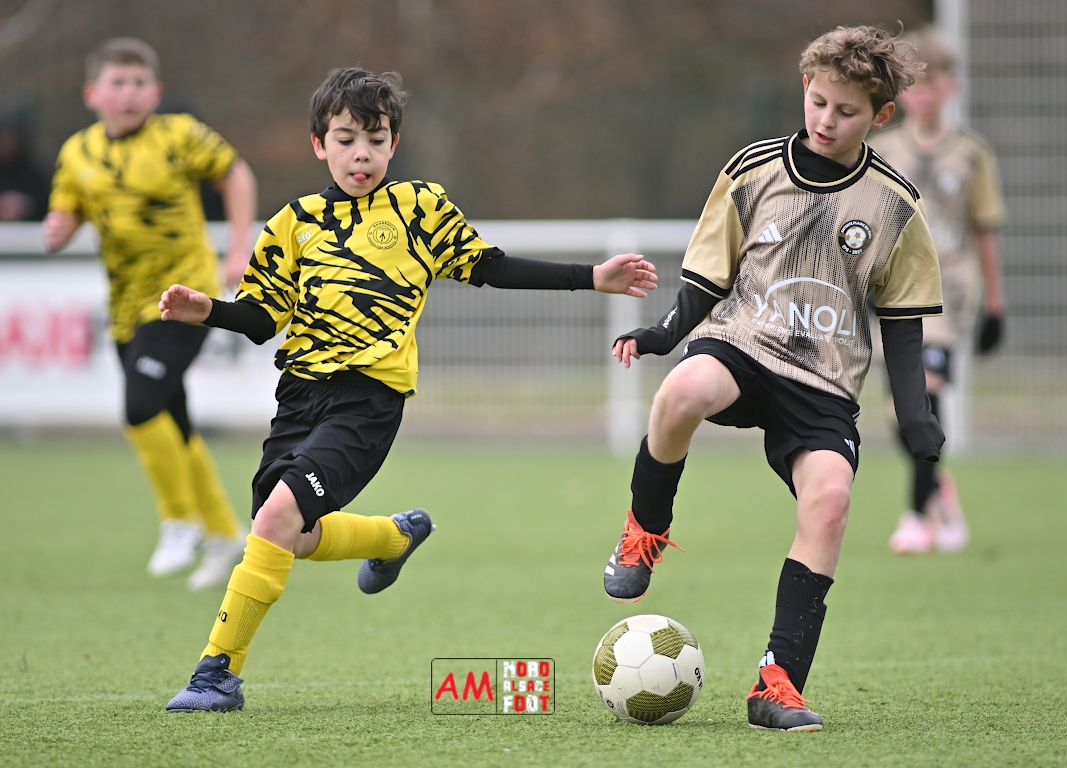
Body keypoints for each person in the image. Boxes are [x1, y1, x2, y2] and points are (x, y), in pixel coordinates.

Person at [158, 67, 658, 713]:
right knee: (288, 535)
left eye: (375, 140)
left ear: (394, 144)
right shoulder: (292, 223)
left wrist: (590, 277)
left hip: (368, 400)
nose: (360, 154)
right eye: (345, 140)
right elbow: (261, 320)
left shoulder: (418, 209)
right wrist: (209, 311)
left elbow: (491, 267)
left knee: (276, 518)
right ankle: (392, 538)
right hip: (299, 397)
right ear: (319, 144)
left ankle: (217, 673)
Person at [601, 26, 943, 731]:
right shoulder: (753, 170)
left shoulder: (895, 203)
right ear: (805, 88)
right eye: (818, 102)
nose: (826, 120)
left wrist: (915, 414)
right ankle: (645, 529)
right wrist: (665, 332)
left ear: (881, 116)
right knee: (682, 391)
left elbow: (903, 322)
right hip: (744, 342)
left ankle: (777, 685)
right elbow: (708, 274)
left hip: (824, 381)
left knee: (831, 500)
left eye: (846, 111)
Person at [43, 38, 257, 589]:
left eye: (139, 83)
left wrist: (238, 248)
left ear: (156, 92)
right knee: (171, 419)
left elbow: (236, 174)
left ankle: (179, 520)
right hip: (125, 307)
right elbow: (66, 207)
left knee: (140, 406)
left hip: (184, 298)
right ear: (92, 94)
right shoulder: (78, 153)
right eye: (118, 83)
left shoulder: (178, 135)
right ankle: (224, 531)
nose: (130, 93)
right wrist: (60, 226)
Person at [869, 27, 1006, 554]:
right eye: (917, 85)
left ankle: (915, 516)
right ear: (902, 93)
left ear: (952, 86)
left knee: (926, 389)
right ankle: (938, 491)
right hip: (893, 291)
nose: (926, 94)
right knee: (899, 412)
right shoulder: (880, 150)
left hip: (949, 289)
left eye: (936, 82)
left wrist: (996, 304)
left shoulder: (972, 155)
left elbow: (984, 230)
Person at [0, 111, 49, 221]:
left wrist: (26, 205)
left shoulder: (31, 172)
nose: (6, 146)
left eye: (10, 141)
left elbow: (46, 201)